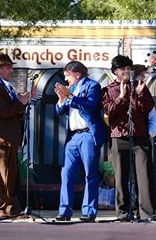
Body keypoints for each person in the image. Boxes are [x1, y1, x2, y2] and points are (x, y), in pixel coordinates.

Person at [101, 56, 156, 222]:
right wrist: (121, 97)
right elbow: (109, 111)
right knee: (121, 176)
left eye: (127, 68)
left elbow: (148, 108)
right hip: (119, 136)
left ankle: (146, 214)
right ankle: (124, 213)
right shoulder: (108, 89)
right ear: (115, 72)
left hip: (140, 136)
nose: (126, 71)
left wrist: (139, 95)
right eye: (122, 69)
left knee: (144, 177)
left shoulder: (140, 86)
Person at [54, 61, 107, 222]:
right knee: (66, 174)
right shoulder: (69, 89)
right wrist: (62, 99)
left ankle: (89, 211)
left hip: (88, 135)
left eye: (67, 75)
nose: (65, 79)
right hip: (72, 137)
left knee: (90, 173)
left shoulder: (93, 86)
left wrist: (69, 96)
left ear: (77, 74)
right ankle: (64, 211)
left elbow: (89, 106)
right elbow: (59, 111)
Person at [0, 54, 32, 221]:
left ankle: (11, 209)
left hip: (9, 140)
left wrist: (21, 101)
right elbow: (3, 111)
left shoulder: (7, 87)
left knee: (10, 177)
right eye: (8, 67)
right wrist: (22, 103)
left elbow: (12, 110)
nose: (11, 70)